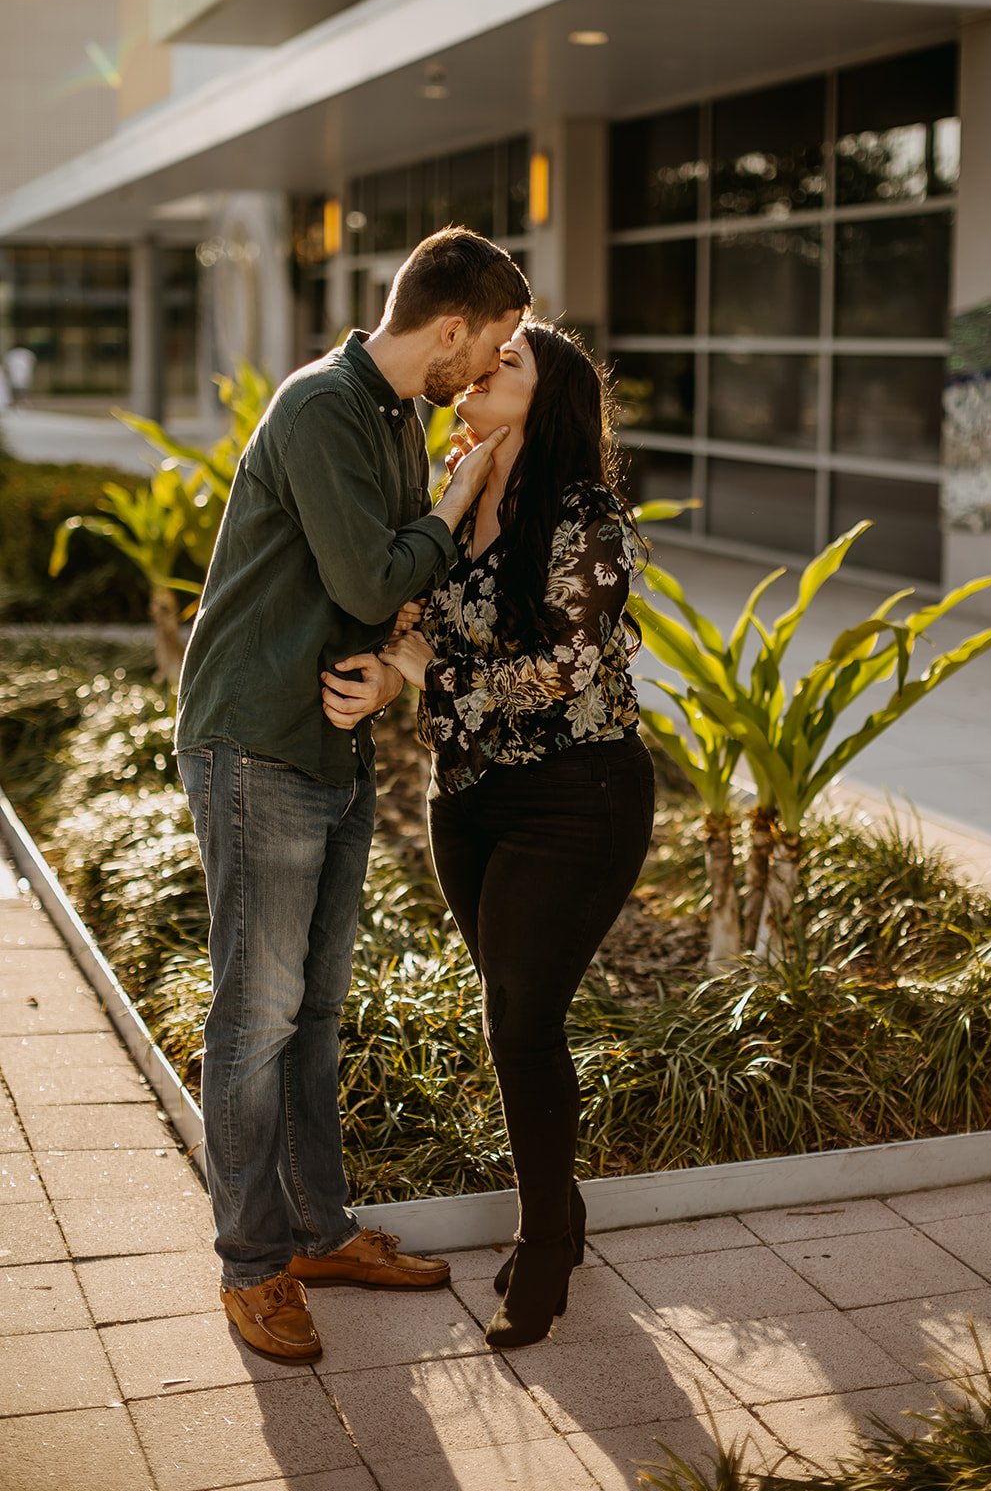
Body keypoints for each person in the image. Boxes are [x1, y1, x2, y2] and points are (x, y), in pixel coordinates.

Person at [175, 227, 530, 1364]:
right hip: (256, 743)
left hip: (327, 743)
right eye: (493, 350)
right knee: (255, 1016)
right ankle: (251, 1265)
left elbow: (380, 604)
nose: (485, 376)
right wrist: (459, 497)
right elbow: (372, 575)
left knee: (315, 1011)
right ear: (453, 326)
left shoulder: (398, 418)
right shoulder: (321, 408)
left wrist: (387, 666)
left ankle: (319, 1231)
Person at [322, 321, 656, 1349]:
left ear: (545, 398)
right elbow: (406, 616)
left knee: (521, 1019)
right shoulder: (458, 496)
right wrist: (392, 664)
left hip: (577, 797)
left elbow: (563, 671)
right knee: (510, 1007)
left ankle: (543, 1247)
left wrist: (430, 673)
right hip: (463, 795)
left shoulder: (586, 520)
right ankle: (566, 1212)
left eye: (503, 364)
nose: (474, 373)